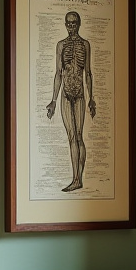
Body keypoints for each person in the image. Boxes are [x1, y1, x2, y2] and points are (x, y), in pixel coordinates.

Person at [46, 11, 95, 192]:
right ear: (65, 24)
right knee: (72, 136)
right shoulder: (61, 45)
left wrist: (92, 98)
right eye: (68, 23)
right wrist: (53, 100)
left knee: (79, 136)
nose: (71, 26)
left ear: (79, 24)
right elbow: (58, 73)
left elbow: (88, 73)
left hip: (80, 94)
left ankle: (78, 178)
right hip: (66, 95)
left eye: (74, 23)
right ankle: (76, 179)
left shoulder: (85, 45)